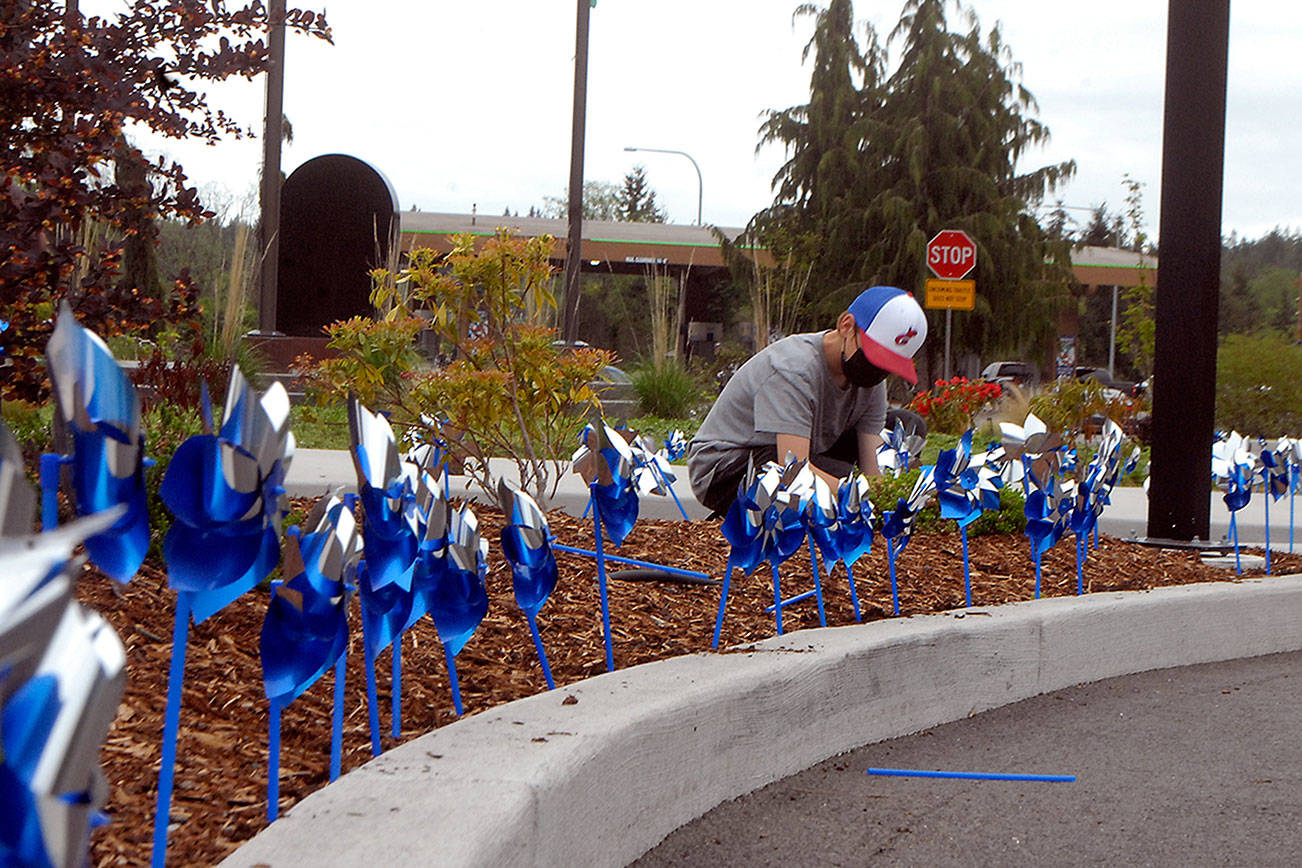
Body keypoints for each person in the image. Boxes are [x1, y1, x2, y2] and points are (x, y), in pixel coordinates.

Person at [687, 285, 928, 515]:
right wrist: (857, 495)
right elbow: (794, 469)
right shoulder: (794, 369)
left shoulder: (870, 378)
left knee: (906, 426)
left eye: (888, 364)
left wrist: (894, 497)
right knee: (842, 479)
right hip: (725, 468)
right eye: (874, 356)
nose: (877, 370)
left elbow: (872, 467)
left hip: (798, 449)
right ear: (846, 326)